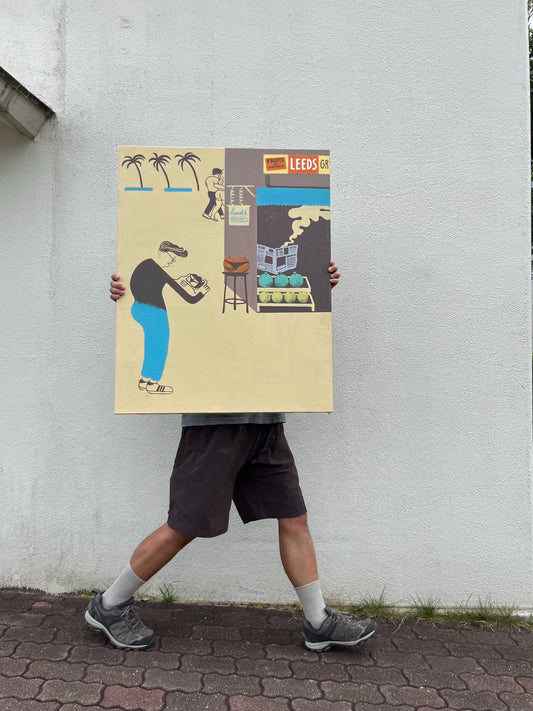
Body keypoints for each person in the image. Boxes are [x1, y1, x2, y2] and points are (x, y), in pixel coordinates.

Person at [84, 261, 377, 652]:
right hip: (213, 423)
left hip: (266, 418)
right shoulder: (186, 259)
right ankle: (109, 605)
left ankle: (317, 622)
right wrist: (127, 297)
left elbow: (273, 315)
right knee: (184, 525)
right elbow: (184, 310)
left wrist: (317, 284)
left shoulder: (252, 262)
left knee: (293, 517)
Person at [130, 240, 209, 395]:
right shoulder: (160, 272)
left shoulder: (147, 265)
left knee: (152, 345)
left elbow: (150, 284)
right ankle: (153, 383)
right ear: (161, 253)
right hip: (155, 312)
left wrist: (177, 281)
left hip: (138, 307)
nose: (172, 262)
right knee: (159, 347)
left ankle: (144, 380)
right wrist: (202, 292)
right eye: (171, 258)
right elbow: (190, 299)